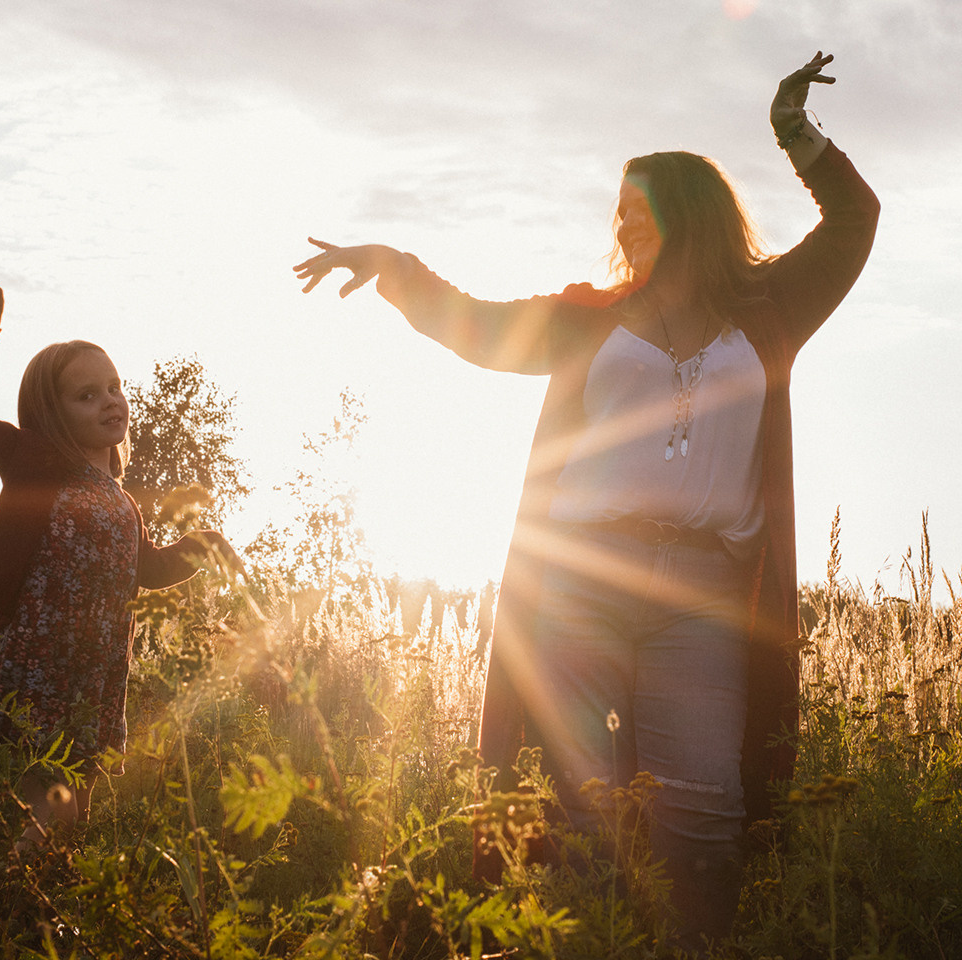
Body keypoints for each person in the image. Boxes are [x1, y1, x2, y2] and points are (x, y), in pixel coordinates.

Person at [293, 53, 878, 949]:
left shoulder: (771, 309)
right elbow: (476, 325)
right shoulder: (586, 317)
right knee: (572, 798)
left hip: (703, 597)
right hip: (579, 581)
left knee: (704, 805)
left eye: (639, 210)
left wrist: (794, 133)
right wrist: (393, 267)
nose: (623, 225)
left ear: (691, 217)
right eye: (618, 212)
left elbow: (853, 222)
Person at [0, 262, 240, 853]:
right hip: (44, 662)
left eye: (115, 386)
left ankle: (48, 921)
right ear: (53, 413)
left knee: (78, 814)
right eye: (87, 394)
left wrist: (199, 548)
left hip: (97, 673)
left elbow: (143, 570)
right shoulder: (33, 460)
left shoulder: (120, 498)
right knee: (49, 807)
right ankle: (3, 907)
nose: (110, 401)